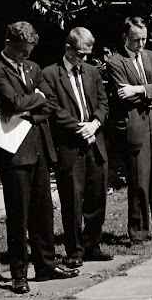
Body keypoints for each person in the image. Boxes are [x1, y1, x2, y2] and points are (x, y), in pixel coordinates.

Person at [0, 21, 79, 294]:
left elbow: (49, 102)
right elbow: (12, 101)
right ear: (8, 45)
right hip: (14, 151)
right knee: (18, 214)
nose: (26, 56)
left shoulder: (33, 68)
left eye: (29, 51)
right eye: (22, 51)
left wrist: (26, 109)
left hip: (39, 147)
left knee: (43, 211)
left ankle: (46, 264)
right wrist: (29, 101)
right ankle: (19, 273)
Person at [43, 27, 113, 269]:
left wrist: (94, 123)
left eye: (87, 54)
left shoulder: (92, 72)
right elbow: (53, 110)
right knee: (72, 201)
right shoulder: (50, 74)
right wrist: (78, 128)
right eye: (80, 54)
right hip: (70, 147)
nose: (84, 59)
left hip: (95, 143)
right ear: (68, 49)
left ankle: (93, 245)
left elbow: (103, 103)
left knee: (97, 198)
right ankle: (74, 250)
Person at [106, 16, 152, 244]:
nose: (141, 44)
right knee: (139, 180)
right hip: (135, 124)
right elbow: (123, 97)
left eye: (144, 39)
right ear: (125, 38)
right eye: (136, 40)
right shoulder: (115, 62)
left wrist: (139, 89)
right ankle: (139, 232)